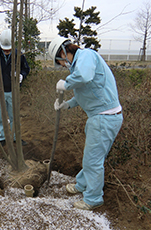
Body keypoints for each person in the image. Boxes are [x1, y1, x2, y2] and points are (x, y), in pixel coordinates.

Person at [49, 37, 123, 210]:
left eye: (60, 62)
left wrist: (66, 84)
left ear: (62, 52)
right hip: (102, 117)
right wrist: (66, 104)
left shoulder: (86, 55)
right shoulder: (79, 65)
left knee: (93, 160)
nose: (62, 66)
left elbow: (84, 77)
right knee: (92, 157)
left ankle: (93, 198)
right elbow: (83, 93)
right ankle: (81, 184)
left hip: (104, 117)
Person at [0, 29, 30, 147]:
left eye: (9, 49)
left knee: (14, 115)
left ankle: (15, 137)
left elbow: (26, 69)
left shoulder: (18, 54)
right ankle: (2, 137)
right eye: (4, 49)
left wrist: (21, 75)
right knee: (0, 116)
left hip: (13, 90)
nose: (6, 51)